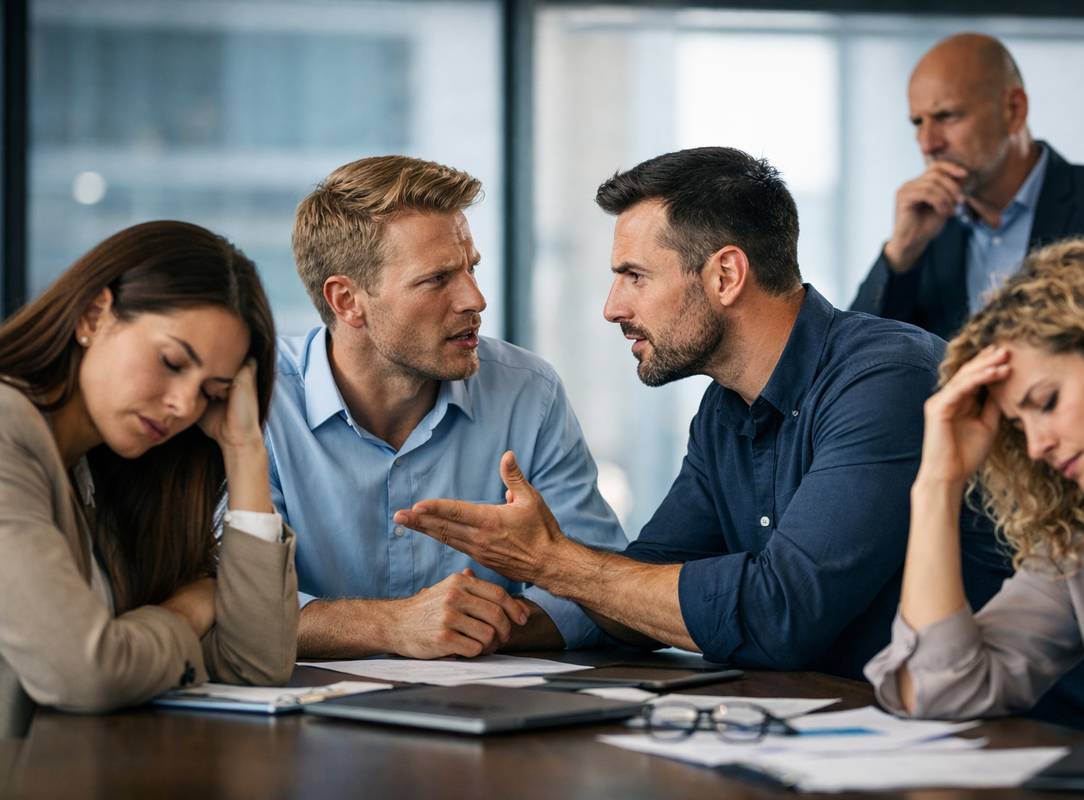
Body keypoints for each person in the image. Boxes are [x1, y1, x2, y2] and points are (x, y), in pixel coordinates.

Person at [394, 146, 1008, 679]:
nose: (612, 308)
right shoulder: (724, 410)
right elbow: (645, 587)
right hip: (838, 733)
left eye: (634, 276)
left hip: (1007, 744)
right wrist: (481, 622)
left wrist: (551, 561)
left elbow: (781, 613)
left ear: (726, 275)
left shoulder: (887, 379)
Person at [272, 155, 625, 660]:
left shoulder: (528, 391)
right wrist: (392, 626)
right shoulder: (256, 401)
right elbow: (227, 606)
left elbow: (607, 594)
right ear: (347, 300)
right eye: (437, 279)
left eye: (471, 269)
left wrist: (479, 625)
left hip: (493, 718)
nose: (476, 299)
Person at [864, 236, 1084, 751]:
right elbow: (938, 689)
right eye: (1019, 427)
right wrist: (938, 481)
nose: (1038, 446)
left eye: (1046, 401)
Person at [0, 220, 298, 739]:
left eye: (212, 390)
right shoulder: (7, 429)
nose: (185, 405)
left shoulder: (105, 471)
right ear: (94, 314)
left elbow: (256, 665)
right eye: (172, 361)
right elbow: (85, 674)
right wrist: (184, 613)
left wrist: (244, 449)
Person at [850, 33, 1084, 341]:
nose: (927, 143)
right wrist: (900, 253)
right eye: (918, 122)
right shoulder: (926, 232)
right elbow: (853, 359)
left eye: (947, 116)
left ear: (1014, 109)